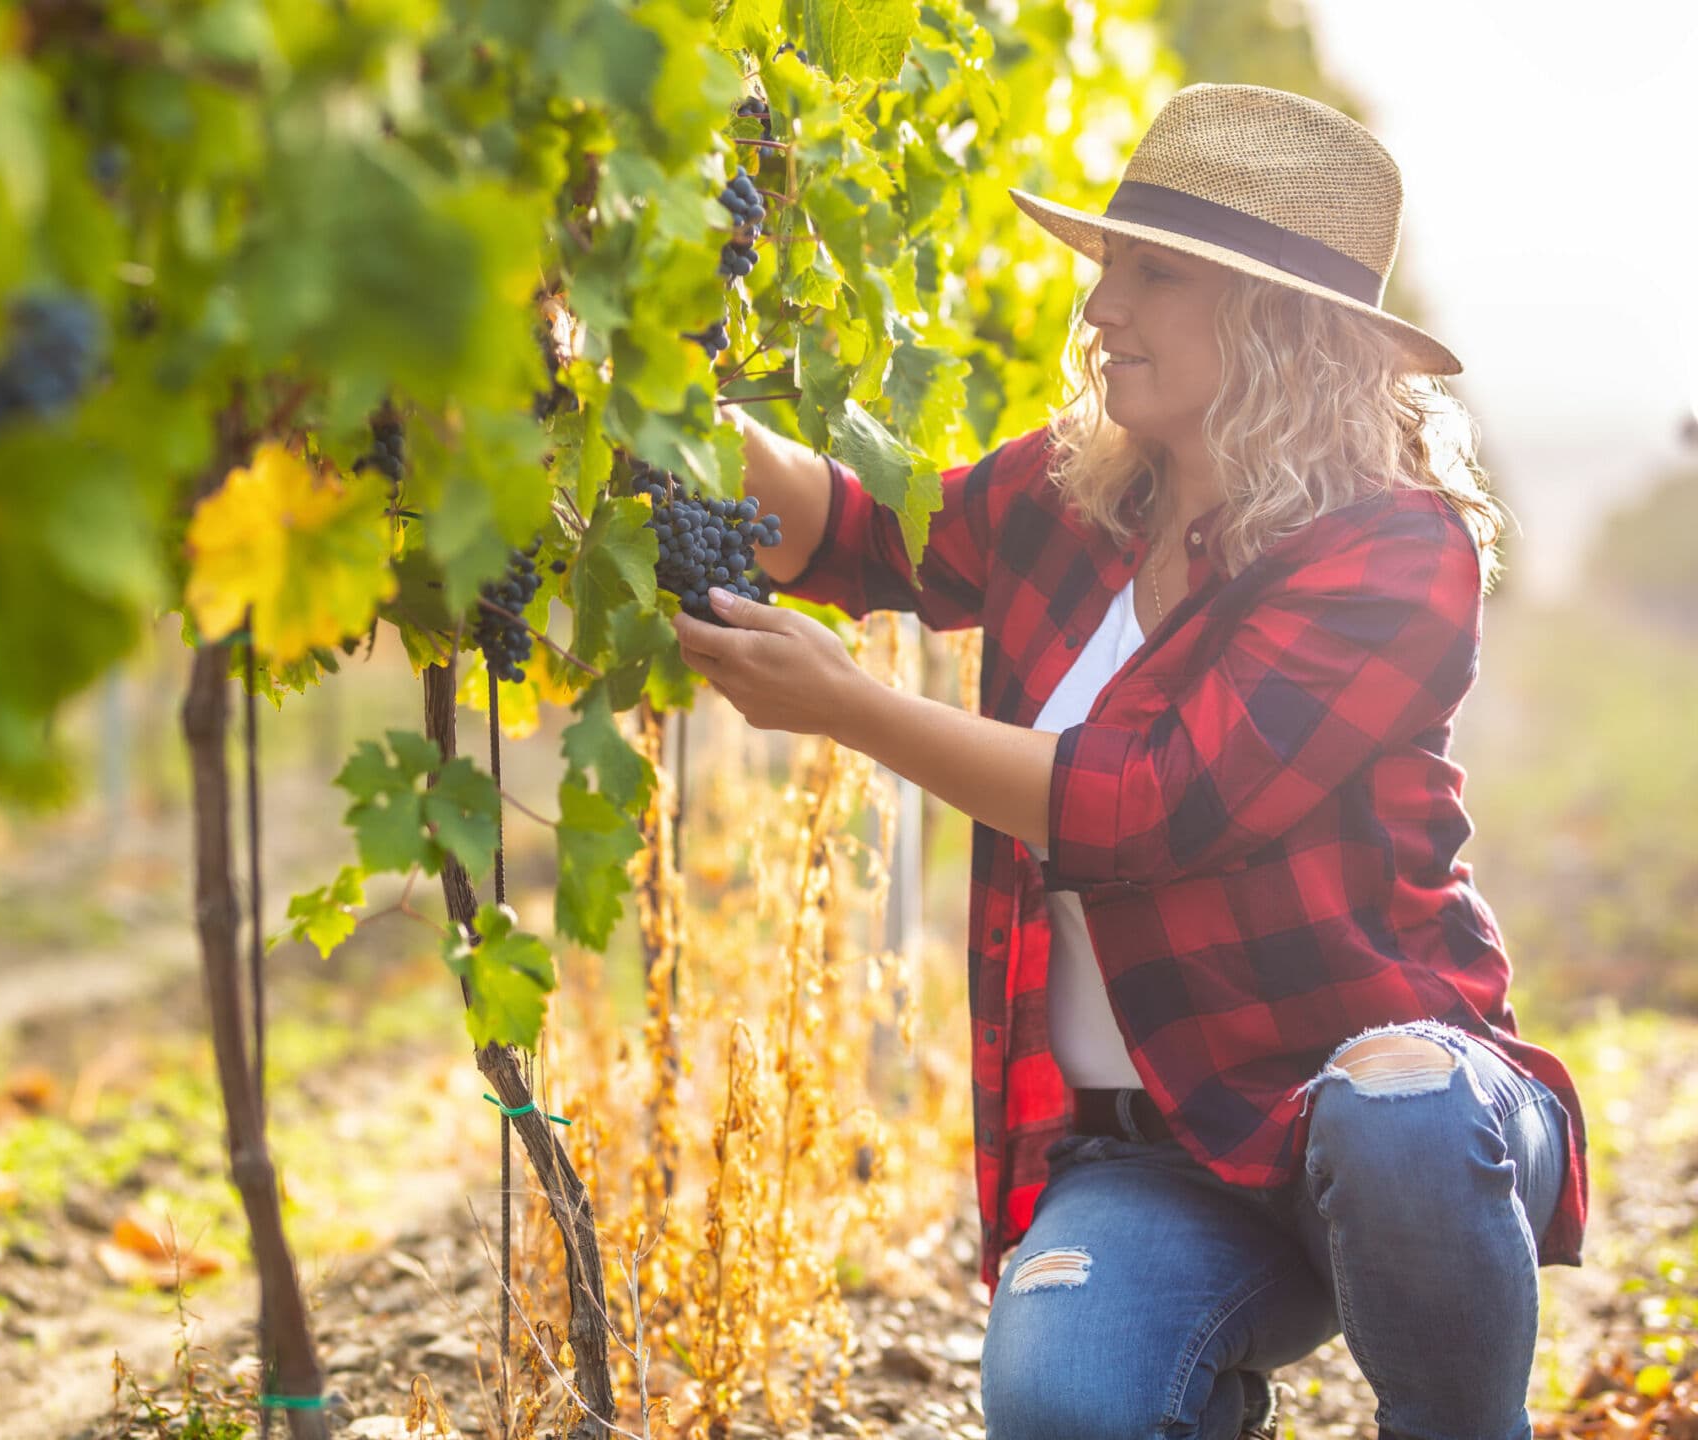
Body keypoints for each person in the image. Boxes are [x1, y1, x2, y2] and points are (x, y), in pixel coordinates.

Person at [674, 83, 1588, 1440]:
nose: (1102, 309)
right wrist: (650, 399)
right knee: (1065, 1409)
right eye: (1114, 267)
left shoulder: (1397, 549)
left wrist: (853, 710)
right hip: (1160, 1144)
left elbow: (1154, 804)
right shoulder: (1078, 498)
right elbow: (859, 537)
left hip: (1396, 1108)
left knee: (1395, 1111)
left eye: (1152, 277)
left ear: (1280, 320)